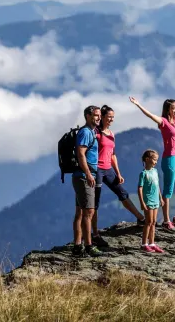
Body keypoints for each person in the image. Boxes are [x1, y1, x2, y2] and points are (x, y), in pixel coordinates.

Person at [128, 82, 175, 231]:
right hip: (169, 160)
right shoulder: (163, 122)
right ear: (167, 109)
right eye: (173, 107)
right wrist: (138, 105)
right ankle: (166, 221)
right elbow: (150, 115)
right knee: (168, 191)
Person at [91, 105, 145, 247]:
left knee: (122, 193)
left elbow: (113, 155)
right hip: (96, 170)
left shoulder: (111, 134)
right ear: (102, 117)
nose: (111, 120)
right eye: (109, 117)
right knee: (94, 203)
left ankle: (140, 218)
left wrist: (118, 173)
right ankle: (95, 234)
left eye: (113, 118)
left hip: (108, 169)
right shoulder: (95, 133)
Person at [72, 105, 103, 257]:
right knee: (88, 212)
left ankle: (77, 246)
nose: (99, 118)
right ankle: (89, 246)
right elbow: (80, 154)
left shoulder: (91, 132)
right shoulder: (86, 132)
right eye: (96, 115)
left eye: (99, 115)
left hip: (81, 176)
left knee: (80, 212)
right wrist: (89, 174)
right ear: (88, 116)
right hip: (84, 176)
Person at [138, 149, 164, 253]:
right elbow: (139, 188)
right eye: (154, 159)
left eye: (157, 160)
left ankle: (152, 243)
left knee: (153, 222)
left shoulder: (155, 171)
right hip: (148, 201)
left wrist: (160, 198)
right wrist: (142, 202)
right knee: (148, 222)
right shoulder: (143, 173)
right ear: (147, 159)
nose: (156, 162)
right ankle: (144, 244)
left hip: (155, 201)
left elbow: (157, 186)